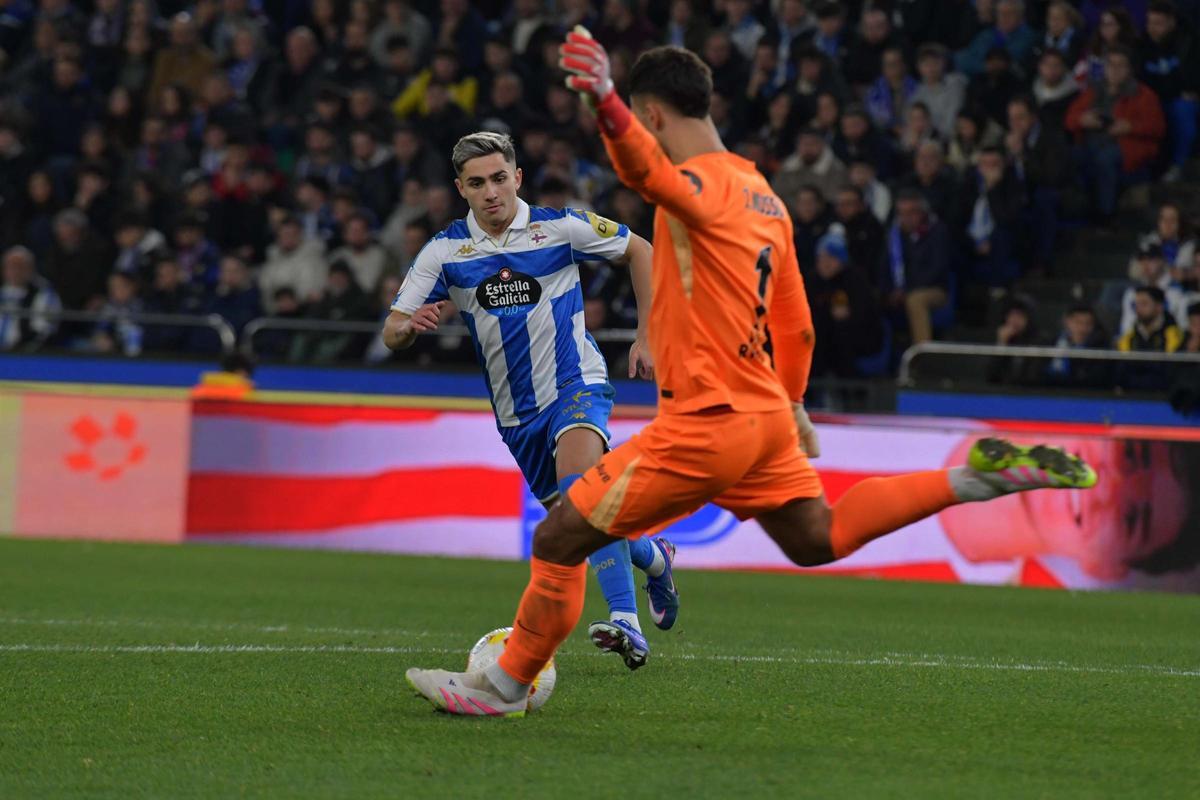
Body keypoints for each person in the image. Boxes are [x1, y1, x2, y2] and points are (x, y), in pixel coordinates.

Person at [405, 39, 1098, 717]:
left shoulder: (699, 185)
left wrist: (604, 102)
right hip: (764, 414)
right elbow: (796, 321)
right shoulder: (766, 195)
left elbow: (651, 177)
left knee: (560, 537)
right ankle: (971, 479)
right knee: (815, 536)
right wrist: (794, 404)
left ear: (652, 116)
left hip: (708, 419)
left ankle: (501, 687)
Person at [382, 130, 677, 671]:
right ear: (461, 189)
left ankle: (626, 622)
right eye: (477, 183)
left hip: (576, 384)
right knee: (578, 523)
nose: (491, 192)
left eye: (499, 178)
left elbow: (642, 249)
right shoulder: (446, 251)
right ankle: (654, 558)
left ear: (517, 177)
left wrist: (648, 334)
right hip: (518, 417)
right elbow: (392, 329)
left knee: (583, 486)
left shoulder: (559, 227)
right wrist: (410, 326)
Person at [1065, 46, 1166, 224]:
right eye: (1111, 65)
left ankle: (1105, 214)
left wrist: (1130, 127)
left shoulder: (1143, 95)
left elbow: (1157, 127)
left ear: (1129, 69)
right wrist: (1083, 119)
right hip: (1092, 142)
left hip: (1128, 148)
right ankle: (1077, 210)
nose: (1115, 70)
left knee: (1105, 159)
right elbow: (1070, 119)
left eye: (1121, 66)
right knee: (1071, 156)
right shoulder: (1093, 91)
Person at [884, 189, 953, 344]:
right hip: (900, 290)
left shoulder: (937, 231)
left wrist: (906, 289)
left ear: (922, 213)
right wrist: (888, 291)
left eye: (911, 212)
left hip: (933, 289)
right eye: (902, 213)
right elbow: (883, 267)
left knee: (915, 300)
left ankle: (923, 354)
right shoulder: (894, 235)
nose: (906, 218)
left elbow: (937, 268)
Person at [1045, 304, 1111, 388]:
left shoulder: (1099, 350)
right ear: (1067, 321)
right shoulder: (1051, 343)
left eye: (1088, 323)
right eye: (1078, 322)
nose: (1083, 328)